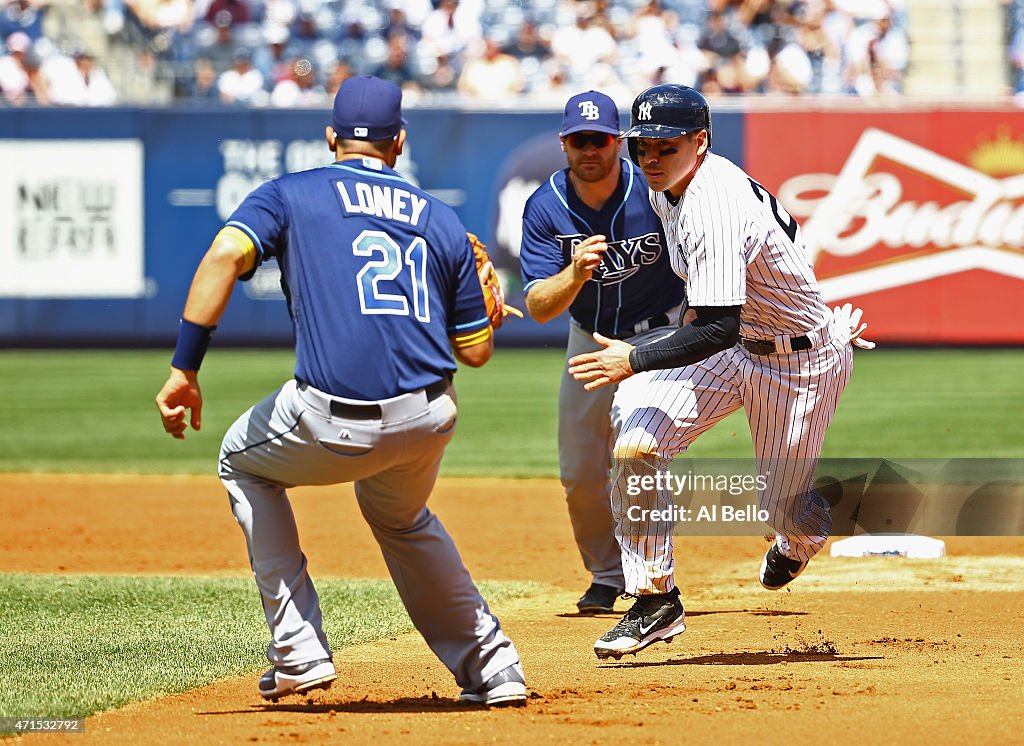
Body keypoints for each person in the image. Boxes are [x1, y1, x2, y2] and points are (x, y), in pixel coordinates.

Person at [154, 75, 527, 707]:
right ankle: (494, 667)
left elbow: (223, 257)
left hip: (332, 418)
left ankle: (299, 651)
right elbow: (476, 354)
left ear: (331, 138)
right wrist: (479, 308)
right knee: (402, 516)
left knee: (240, 462)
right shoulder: (438, 218)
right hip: (429, 418)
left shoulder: (291, 194)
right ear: (399, 143)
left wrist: (185, 369)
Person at [567, 84, 873, 659]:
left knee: (787, 510)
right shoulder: (671, 188)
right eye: (642, 148)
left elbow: (716, 328)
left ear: (700, 141)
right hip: (742, 346)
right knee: (635, 443)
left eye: (666, 146)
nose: (651, 159)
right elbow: (718, 310)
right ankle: (654, 600)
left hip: (797, 363)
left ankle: (802, 535)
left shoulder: (713, 200)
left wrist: (632, 357)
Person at [519, 90, 686, 615]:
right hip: (588, 337)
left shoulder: (654, 190)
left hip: (658, 335)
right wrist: (574, 272)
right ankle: (606, 575)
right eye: (579, 140)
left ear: (620, 142)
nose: (590, 149)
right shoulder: (546, 206)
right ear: (564, 144)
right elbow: (540, 306)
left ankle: (651, 579)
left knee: (635, 453)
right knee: (578, 470)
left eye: (602, 139)